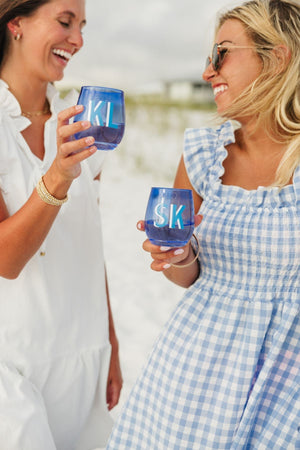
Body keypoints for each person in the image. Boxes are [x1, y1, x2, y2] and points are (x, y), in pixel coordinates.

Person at [106, 0, 300, 448]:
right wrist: (178, 255)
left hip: (285, 379)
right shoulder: (202, 153)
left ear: (277, 59)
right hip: (198, 366)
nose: (207, 71)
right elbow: (187, 276)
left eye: (222, 54)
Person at [0, 0, 123, 449]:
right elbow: (5, 259)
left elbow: (89, 242)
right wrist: (57, 176)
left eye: (83, 26)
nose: (78, 40)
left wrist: (110, 343)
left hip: (82, 355)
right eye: (65, 22)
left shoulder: (84, 123)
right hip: (13, 362)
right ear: (17, 23)